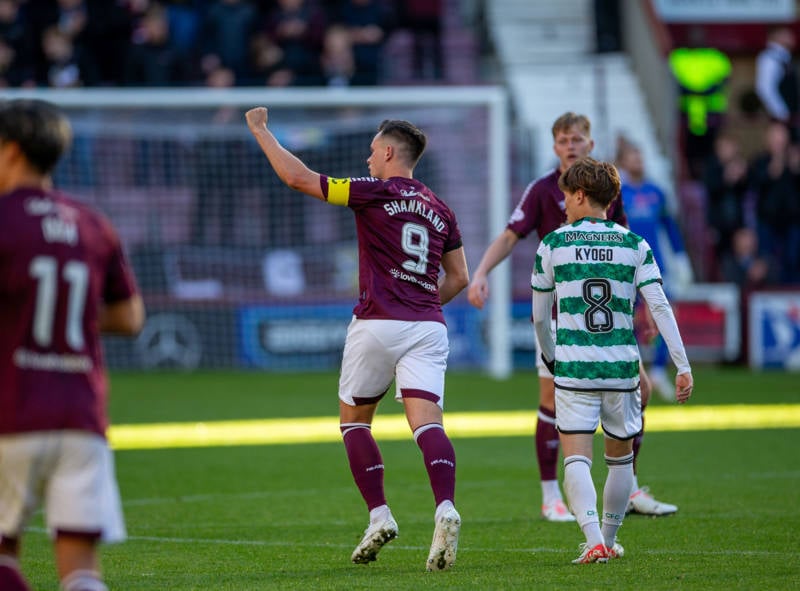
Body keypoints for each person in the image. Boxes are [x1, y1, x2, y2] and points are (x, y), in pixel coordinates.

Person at [246, 107, 469, 571]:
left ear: (389, 152)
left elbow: (299, 179)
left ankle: (379, 515)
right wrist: (422, 303)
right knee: (428, 424)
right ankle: (445, 507)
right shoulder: (440, 208)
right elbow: (460, 276)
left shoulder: (373, 192)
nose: (368, 159)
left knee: (355, 422)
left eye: (371, 151)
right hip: (428, 324)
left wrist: (262, 132)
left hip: (377, 321)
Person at [467, 112, 677, 521]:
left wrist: (642, 306)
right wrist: (480, 272)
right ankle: (551, 497)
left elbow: (626, 254)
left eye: (577, 138)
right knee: (552, 402)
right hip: (564, 318)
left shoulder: (604, 191)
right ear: (554, 146)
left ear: (590, 144)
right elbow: (511, 234)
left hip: (608, 320)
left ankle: (629, 488)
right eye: (563, 139)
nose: (570, 145)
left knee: (642, 392)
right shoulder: (543, 190)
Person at [0, 99, 145, 591]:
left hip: (11, 409)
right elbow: (130, 318)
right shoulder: (91, 223)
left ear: (12, 151)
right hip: (82, 416)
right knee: (81, 569)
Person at [531, 157, 693, 564]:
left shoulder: (552, 244)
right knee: (620, 458)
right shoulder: (634, 244)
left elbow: (538, 316)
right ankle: (608, 537)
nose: (563, 203)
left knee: (577, 457)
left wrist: (551, 358)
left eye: (567, 196)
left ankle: (592, 540)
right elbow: (660, 306)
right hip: (621, 368)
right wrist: (682, 364)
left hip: (574, 367)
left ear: (581, 195)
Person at [616, 139, 692, 400]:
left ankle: (658, 370)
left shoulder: (657, 192)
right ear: (623, 162)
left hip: (654, 266)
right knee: (631, 322)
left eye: (640, 154)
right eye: (632, 156)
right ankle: (635, 375)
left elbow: (670, 228)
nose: (638, 160)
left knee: (665, 315)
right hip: (626, 269)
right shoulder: (618, 194)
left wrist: (680, 259)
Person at [755, 26, 799, 139]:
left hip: (791, 115)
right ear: (776, 36)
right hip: (783, 117)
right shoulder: (770, 57)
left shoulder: (785, 57)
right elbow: (764, 88)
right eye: (787, 34)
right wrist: (781, 112)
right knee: (782, 148)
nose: (792, 38)